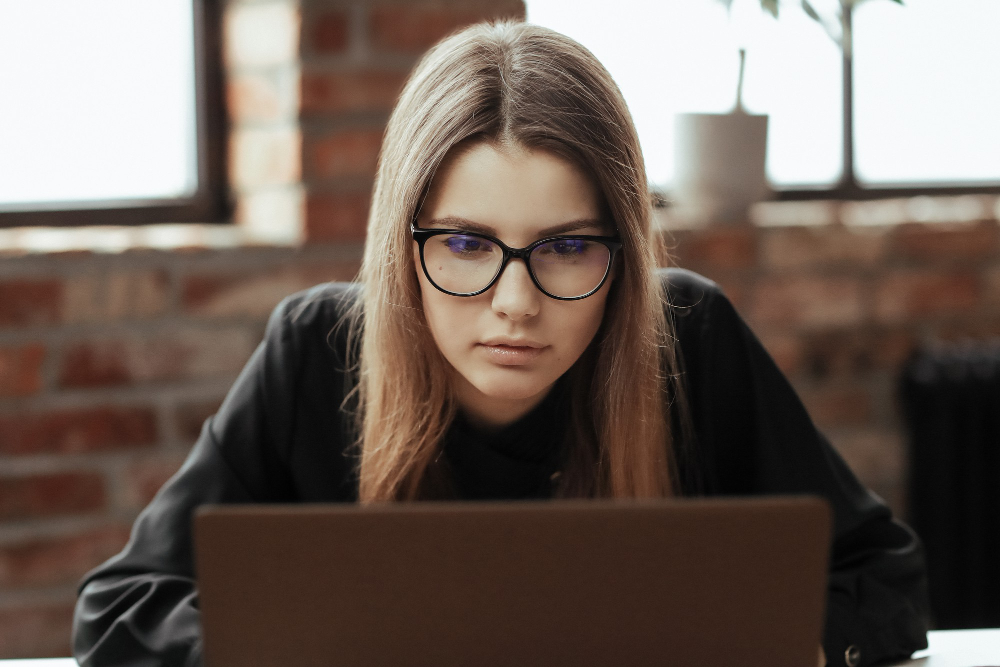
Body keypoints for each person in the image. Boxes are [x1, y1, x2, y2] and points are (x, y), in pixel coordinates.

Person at [72, 21, 930, 667]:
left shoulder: (688, 338)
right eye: (467, 244)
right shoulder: (318, 347)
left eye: (565, 247)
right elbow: (119, 610)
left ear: (622, 252)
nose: (514, 304)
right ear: (401, 247)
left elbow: (885, 580)